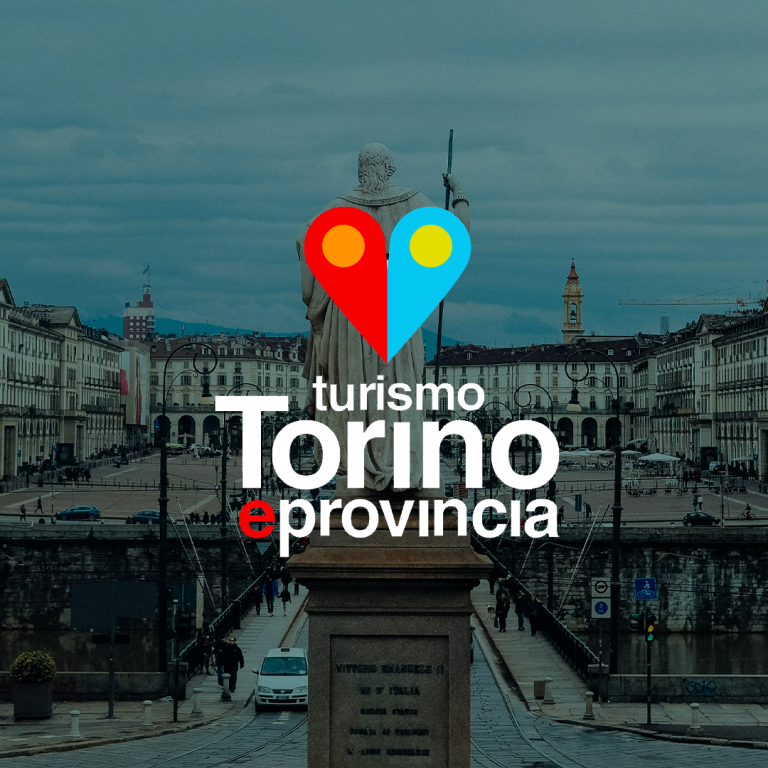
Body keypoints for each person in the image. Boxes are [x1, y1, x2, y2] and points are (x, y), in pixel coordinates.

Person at [298, 143, 470, 493]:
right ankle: (402, 465)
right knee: (399, 389)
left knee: (355, 395)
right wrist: (459, 195)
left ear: (361, 171)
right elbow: (454, 235)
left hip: (349, 315)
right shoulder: (413, 200)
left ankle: (362, 467)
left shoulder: (338, 206)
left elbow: (307, 249)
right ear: (389, 169)